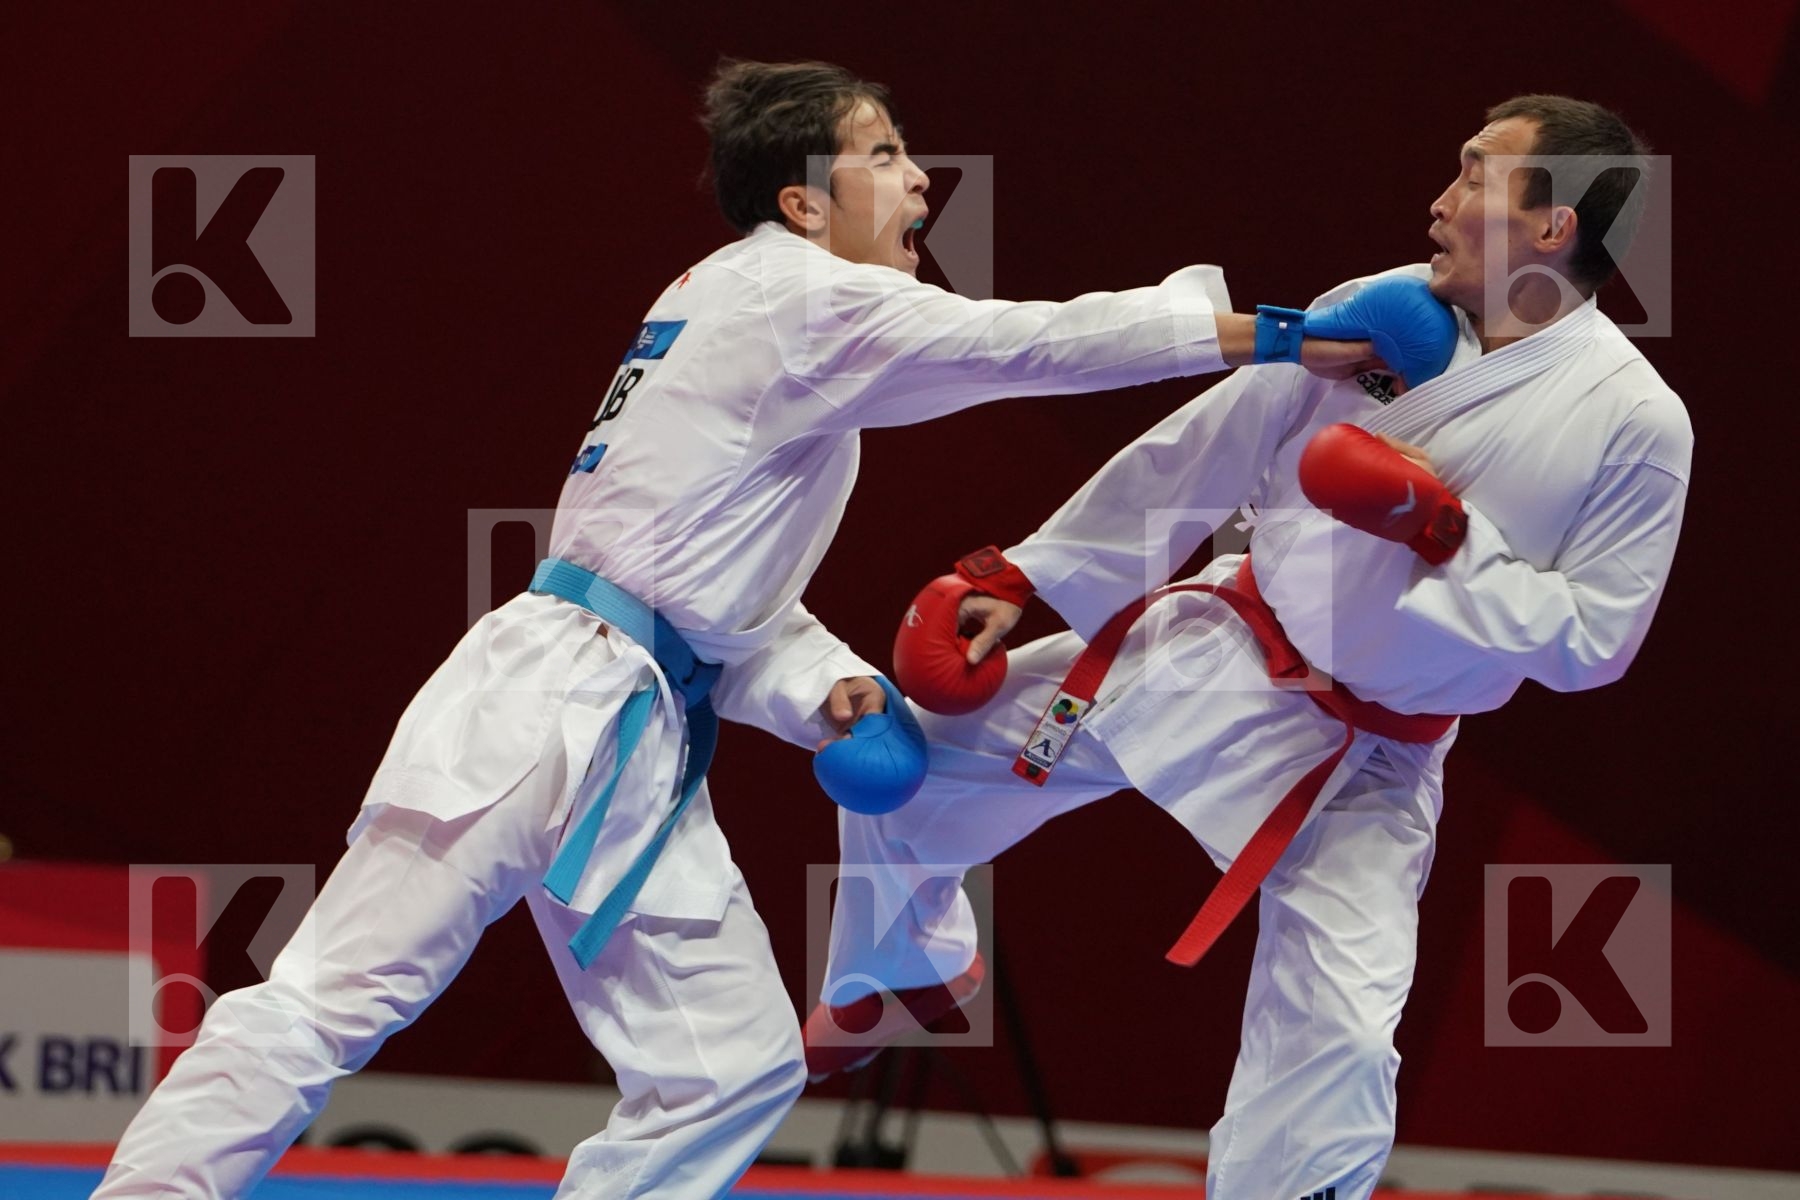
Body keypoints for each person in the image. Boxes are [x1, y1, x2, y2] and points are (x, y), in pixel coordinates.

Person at [93, 59, 1383, 1199]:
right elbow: (1027, 344)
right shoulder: (795, 293)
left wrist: (828, 687)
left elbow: (730, 610)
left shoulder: (774, 314)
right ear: (804, 202)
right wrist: (1273, 337)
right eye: (883, 156)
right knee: (333, 1001)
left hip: (644, 726)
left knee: (732, 1067)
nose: (922, 180)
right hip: (544, 701)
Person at [810, 94, 1690, 1200]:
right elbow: (1214, 445)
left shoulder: (1635, 421)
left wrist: (1445, 539)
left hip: (1372, 756)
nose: (1441, 200)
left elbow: (1597, 642)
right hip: (1220, 644)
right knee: (908, 738)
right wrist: (1032, 571)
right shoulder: (1382, 312)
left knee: (1337, 1043)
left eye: (1473, 176)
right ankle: (906, 965)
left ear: (1550, 226)